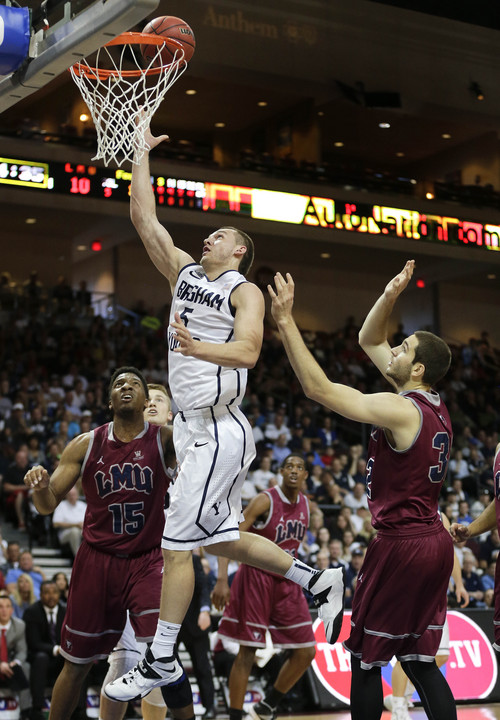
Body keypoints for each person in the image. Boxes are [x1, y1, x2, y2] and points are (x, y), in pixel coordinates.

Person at [104, 123, 344, 703]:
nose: (208, 237)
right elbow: (144, 218)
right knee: (220, 540)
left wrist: (196, 347)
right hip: (192, 430)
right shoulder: (184, 272)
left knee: (175, 544)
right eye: (208, 234)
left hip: (218, 429)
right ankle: (318, 579)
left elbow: (249, 351)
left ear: (238, 251)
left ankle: (161, 656)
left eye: (220, 235)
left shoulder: (244, 291)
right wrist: (139, 155)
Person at [268, 260, 457, 720]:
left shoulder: (401, 409)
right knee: (419, 660)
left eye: (404, 348)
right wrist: (390, 295)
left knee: (366, 660)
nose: (394, 349)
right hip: (432, 540)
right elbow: (369, 341)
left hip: (403, 544)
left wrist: (286, 323)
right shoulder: (432, 404)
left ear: (417, 368)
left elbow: (318, 389)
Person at [23, 368, 195, 720]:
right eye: (118, 384)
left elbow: (203, 454)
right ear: (109, 401)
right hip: (96, 561)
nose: (126, 387)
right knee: (76, 663)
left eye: (134, 384)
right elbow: (47, 504)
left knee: (163, 656)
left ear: (146, 402)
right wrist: (40, 487)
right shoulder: (85, 444)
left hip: (147, 560)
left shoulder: (165, 439)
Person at [213, 454, 316, 720]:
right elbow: (230, 536)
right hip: (256, 577)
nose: (294, 470)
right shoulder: (265, 500)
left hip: (288, 581)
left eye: (299, 467)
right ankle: (235, 717)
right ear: (281, 472)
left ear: (306, 475)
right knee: (248, 650)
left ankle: (266, 707)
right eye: (289, 466)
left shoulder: (306, 504)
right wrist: (222, 578)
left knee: (306, 651)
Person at [385, 512, 469, 719]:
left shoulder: (440, 515)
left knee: (439, 655)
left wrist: (459, 584)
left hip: (436, 594)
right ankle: (398, 708)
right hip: (409, 593)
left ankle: (399, 696)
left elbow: (450, 552)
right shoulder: (402, 511)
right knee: (408, 654)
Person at [23, 580, 68, 720]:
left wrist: (62, 650)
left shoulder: (66, 612)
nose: (51, 596)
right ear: (41, 595)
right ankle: (36, 710)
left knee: (76, 661)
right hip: (39, 656)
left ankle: (78, 711)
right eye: (47, 593)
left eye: (54, 592)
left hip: (61, 656)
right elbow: (34, 642)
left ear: (59, 594)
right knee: (41, 658)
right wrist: (56, 649)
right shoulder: (32, 612)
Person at [0, 592, 31, 719]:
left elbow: (22, 650)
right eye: (0, 606)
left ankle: (25, 711)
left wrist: (16, 662)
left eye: (7, 606)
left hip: (10, 663)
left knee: (25, 666)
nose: (4, 610)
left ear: (12, 610)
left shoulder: (19, 625)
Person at [51, 486, 86, 558]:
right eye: (70, 495)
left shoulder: (83, 505)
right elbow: (55, 524)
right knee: (74, 531)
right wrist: (75, 525)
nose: (72, 497)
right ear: (66, 496)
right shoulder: (61, 505)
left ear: (77, 495)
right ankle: (78, 558)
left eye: (74, 494)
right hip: (66, 533)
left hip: (83, 531)